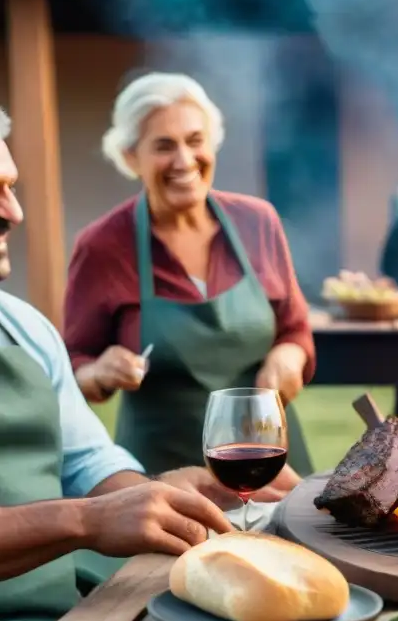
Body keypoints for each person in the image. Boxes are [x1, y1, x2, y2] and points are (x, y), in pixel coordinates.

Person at [0, 106, 258, 621]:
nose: (13, 214)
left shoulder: (21, 326)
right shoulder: (106, 244)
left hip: (72, 599)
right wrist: (86, 520)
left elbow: (87, 462)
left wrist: (158, 494)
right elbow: (87, 510)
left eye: (11, 188)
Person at [62, 72, 316, 484]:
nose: (184, 160)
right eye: (164, 146)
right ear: (130, 157)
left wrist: (288, 356)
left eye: (195, 140)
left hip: (272, 465)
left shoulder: (258, 221)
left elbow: (295, 329)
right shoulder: (103, 246)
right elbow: (74, 365)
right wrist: (99, 372)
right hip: (165, 480)